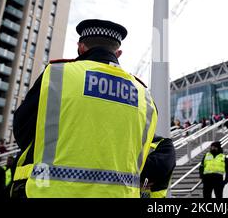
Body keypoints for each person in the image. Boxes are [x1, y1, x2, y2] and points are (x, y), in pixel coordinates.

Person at [11, 19, 158, 198]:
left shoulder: (58, 74)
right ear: (118, 53)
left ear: (81, 47)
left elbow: (22, 128)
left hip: (53, 193)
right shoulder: (145, 96)